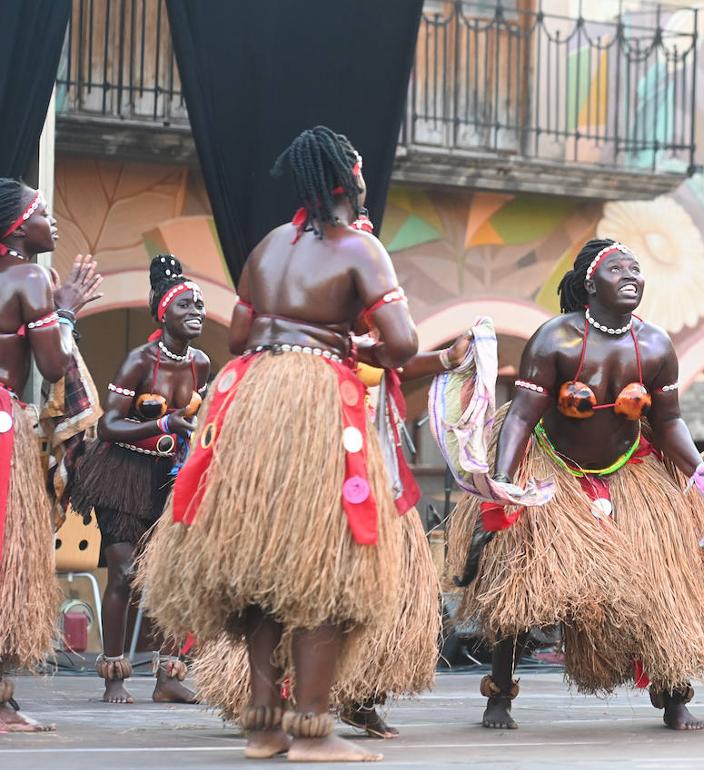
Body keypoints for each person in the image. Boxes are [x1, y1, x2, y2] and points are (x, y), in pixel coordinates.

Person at [137, 127, 437, 763]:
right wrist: (350, 345)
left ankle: (263, 724)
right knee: (321, 564)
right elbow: (404, 344)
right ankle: (313, 730)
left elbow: (239, 335)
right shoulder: (361, 249)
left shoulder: (268, 246)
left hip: (248, 398)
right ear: (348, 182)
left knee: (262, 565)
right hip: (313, 403)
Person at [446, 238, 704, 731]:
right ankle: (500, 696)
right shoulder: (555, 339)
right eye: (618, 269)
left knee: (668, 579)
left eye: (637, 269)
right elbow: (523, 417)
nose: (632, 277)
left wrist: (701, 471)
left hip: (628, 470)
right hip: (552, 470)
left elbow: (668, 423)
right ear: (590, 283)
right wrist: (505, 481)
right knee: (518, 579)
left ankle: (674, 694)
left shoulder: (657, 345)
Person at [190, 337, 470, 740]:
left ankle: (361, 699)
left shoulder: (359, 335)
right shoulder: (306, 341)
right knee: (297, 596)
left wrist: (445, 359)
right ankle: (270, 705)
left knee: (387, 596)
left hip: (371, 472)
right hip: (315, 478)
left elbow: (392, 362)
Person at [70, 255, 207, 705]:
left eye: (200, 305)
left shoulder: (199, 363)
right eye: (186, 305)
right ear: (163, 313)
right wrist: (162, 426)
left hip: (169, 478)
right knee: (125, 574)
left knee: (170, 574)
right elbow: (108, 425)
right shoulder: (139, 361)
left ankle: (168, 676)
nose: (197, 312)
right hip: (121, 473)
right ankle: (114, 675)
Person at [0, 178, 102, 732]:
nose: (53, 220)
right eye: (42, 211)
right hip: (2, 428)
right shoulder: (30, 277)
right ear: (18, 228)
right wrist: (64, 312)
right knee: (6, 557)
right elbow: (55, 366)